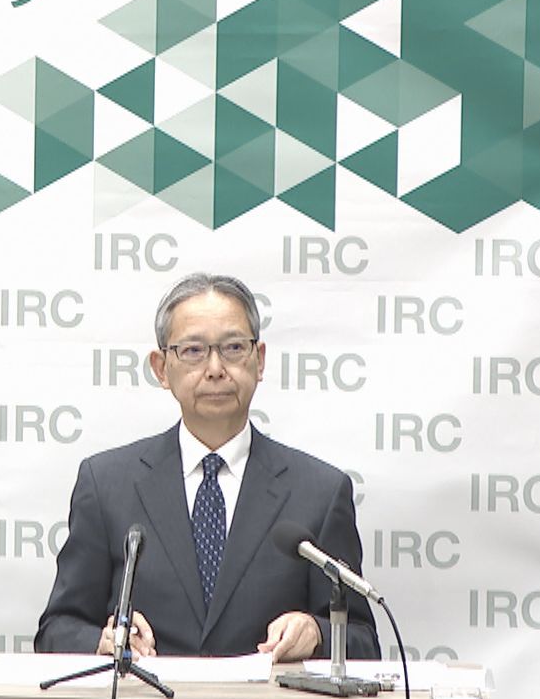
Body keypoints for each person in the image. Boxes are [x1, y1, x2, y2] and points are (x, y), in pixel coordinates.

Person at [35, 273, 377, 661]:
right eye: (193, 351)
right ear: (161, 368)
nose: (215, 368)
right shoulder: (106, 485)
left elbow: (363, 641)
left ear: (260, 360)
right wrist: (103, 641)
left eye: (233, 348)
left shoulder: (320, 492)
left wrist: (316, 633)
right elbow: (56, 631)